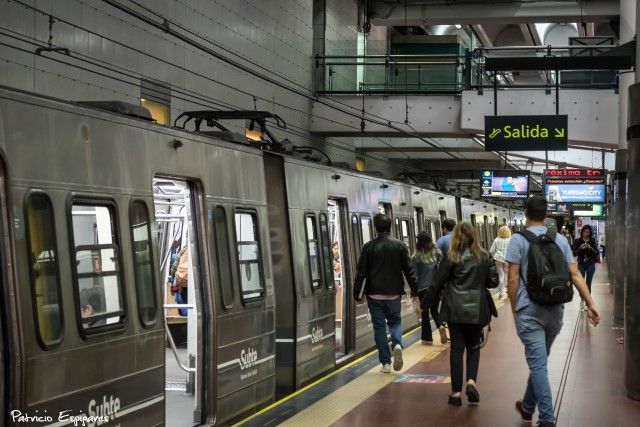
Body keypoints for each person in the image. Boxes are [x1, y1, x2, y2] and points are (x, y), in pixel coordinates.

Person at [505, 196, 600, 427]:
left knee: (538, 364)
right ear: (546, 215)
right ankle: (528, 408)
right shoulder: (559, 240)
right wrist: (590, 303)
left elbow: (512, 278)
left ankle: (547, 418)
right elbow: (575, 274)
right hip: (555, 311)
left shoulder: (517, 240)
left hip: (529, 312)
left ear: (525, 213)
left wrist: (514, 307)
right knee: (540, 361)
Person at [428, 222, 499, 406]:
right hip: (477, 310)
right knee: (474, 347)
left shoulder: (451, 257)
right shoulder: (484, 256)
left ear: (456, 237)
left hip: (455, 310)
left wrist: (424, 304)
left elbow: (436, 283)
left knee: (457, 350)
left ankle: (456, 393)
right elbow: (493, 282)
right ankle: (471, 382)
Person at [353, 213, 418, 373]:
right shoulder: (400, 246)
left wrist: (357, 294)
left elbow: (361, 273)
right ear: (390, 227)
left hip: (374, 294)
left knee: (379, 328)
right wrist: (415, 291)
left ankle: (386, 363)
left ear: (375, 228)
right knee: (395, 322)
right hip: (394, 293)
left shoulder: (368, 247)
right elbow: (409, 271)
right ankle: (396, 344)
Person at [411, 231, 446, 345]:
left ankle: (427, 339)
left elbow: (415, 276)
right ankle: (440, 326)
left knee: (424, 313)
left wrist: (413, 292)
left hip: (422, 289)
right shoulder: (437, 253)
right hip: (435, 287)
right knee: (435, 310)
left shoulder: (416, 257)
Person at [572, 224, 598, 300]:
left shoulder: (592, 240)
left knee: (588, 283)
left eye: (588, 232)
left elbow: (596, 253)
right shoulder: (577, 241)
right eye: (585, 232)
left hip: (590, 264)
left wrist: (590, 248)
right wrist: (580, 248)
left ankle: (588, 301)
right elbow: (574, 253)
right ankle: (582, 299)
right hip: (581, 264)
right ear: (582, 232)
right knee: (581, 283)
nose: (586, 234)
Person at [489, 226, 511, 299]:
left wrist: (494, 255)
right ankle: (508, 291)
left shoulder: (497, 239)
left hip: (498, 259)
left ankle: (501, 293)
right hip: (507, 259)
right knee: (507, 275)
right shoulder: (510, 240)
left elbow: (491, 250)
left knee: (500, 275)